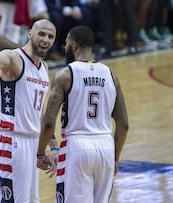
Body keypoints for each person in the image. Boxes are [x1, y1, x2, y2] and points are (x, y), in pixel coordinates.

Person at [36, 25, 129, 203]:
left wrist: (40, 153)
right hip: (105, 146)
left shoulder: (65, 75)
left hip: (76, 147)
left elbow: (48, 122)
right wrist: (115, 157)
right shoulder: (111, 75)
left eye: (66, 44)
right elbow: (124, 124)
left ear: (73, 45)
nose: (64, 48)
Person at [0, 0, 56, 202]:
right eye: (41, 34)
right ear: (30, 33)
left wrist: (51, 145)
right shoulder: (13, 59)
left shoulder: (44, 68)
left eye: (50, 36)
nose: (45, 39)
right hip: (12, 142)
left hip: (32, 143)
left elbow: (40, 110)